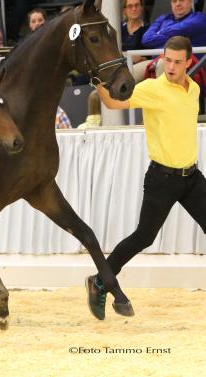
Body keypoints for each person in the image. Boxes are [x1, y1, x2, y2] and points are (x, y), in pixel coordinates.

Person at [86, 36, 204, 320]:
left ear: (189, 62)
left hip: (192, 177)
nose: (171, 66)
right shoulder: (152, 88)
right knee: (144, 237)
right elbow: (114, 104)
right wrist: (97, 83)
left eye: (178, 61)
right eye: (167, 60)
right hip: (162, 179)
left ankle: (100, 281)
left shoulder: (195, 89)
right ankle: (100, 280)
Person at [139, 0, 206, 79]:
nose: (178, 4)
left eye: (181, 0)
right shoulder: (163, 18)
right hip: (155, 61)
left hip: (188, 65)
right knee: (131, 72)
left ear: (191, 2)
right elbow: (146, 39)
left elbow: (180, 29)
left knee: (163, 64)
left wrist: (159, 32)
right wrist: (179, 36)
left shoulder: (200, 18)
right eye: (174, 1)